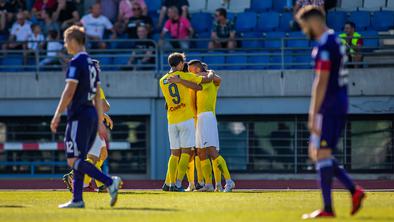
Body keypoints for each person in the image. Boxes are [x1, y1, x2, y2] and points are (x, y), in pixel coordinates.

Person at [295, 6, 365, 219]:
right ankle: (354, 191)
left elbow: (321, 81)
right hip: (337, 102)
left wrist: (312, 113)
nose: (304, 30)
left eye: (304, 26)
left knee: (322, 153)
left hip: (330, 105)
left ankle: (328, 208)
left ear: (314, 22)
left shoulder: (325, 44)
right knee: (316, 152)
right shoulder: (335, 40)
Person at [50, 25, 121, 208]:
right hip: (90, 114)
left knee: (73, 159)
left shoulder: (77, 62)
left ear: (74, 41)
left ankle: (109, 182)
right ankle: (77, 199)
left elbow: (69, 91)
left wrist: (57, 113)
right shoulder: (92, 63)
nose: (66, 45)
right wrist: (99, 121)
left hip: (79, 114)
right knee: (81, 157)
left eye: (66, 41)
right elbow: (97, 94)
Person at [169, 60, 235, 192]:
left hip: (206, 116)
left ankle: (228, 181)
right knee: (201, 152)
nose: (189, 71)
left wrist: (181, 80)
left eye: (191, 69)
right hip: (199, 118)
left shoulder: (206, 78)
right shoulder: (201, 78)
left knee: (211, 151)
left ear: (197, 69)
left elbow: (214, 79)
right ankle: (208, 184)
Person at [159, 52, 214, 192]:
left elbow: (166, 102)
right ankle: (177, 184)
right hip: (186, 119)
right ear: (178, 64)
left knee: (173, 153)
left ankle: (169, 184)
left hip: (171, 119)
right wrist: (211, 73)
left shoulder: (162, 80)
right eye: (183, 62)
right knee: (185, 152)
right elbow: (203, 82)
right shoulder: (183, 76)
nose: (184, 64)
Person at [63, 60, 113, 193]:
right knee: (93, 158)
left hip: (82, 123)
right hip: (92, 125)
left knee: (102, 154)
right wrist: (104, 111)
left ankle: (99, 184)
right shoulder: (95, 86)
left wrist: (103, 116)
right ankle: (76, 178)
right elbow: (105, 106)